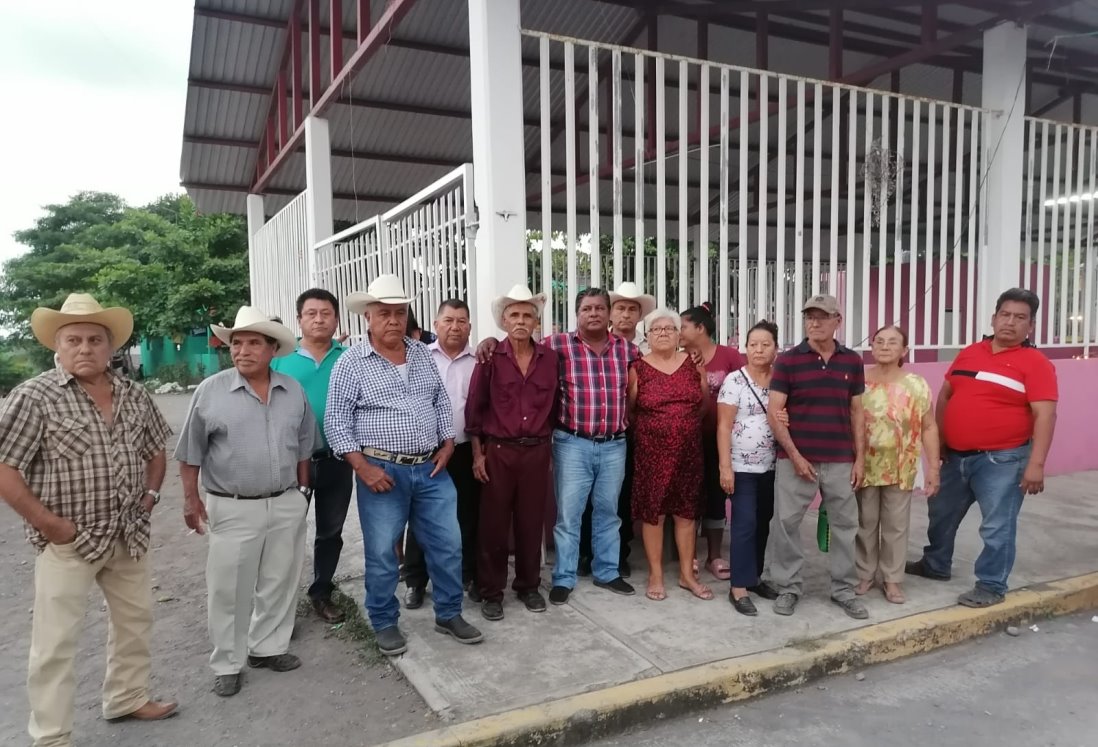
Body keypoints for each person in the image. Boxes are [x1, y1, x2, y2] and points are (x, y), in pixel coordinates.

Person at [0, 294, 177, 746]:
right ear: (56, 347)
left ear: (109, 346)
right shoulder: (34, 397)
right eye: (73, 340)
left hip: (127, 533)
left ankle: (126, 696)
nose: (85, 348)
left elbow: (156, 448)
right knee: (55, 643)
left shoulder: (134, 395)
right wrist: (48, 523)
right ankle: (52, 736)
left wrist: (151, 495)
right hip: (68, 542)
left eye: (94, 340)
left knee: (135, 621)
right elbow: (5, 468)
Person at [325, 274, 483, 656]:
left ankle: (448, 613)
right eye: (384, 313)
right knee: (381, 553)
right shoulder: (351, 363)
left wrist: (447, 444)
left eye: (399, 312)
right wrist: (363, 468)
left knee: (448, 544)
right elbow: (336, 421)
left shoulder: (420, 352)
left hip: (431, 468)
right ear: (368, 317)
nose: (393, 320)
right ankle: (383, 621)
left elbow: (441, 403)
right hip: (383, 471)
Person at [176, 307, 317, 697]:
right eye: (236, 342)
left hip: (285, 501)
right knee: (229, 588)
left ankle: (267, 648)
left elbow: (305, 445)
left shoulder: (293, 391)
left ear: (273, 349)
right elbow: (190, 452)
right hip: (233, 504)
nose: (242, 350)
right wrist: (191, 499)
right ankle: (228, 662)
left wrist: (302, 493)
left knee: (280, 579)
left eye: (254, 342)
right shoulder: (211, 391)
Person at [476, 288, 640, 604]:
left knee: (608, 512)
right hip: (572, 442)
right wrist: (489, 341)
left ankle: (607, 571)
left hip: (613, 444)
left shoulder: (628, 350)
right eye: (586, 309)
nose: (593, 313)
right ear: (577, 314)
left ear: (608, 314)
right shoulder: (557, 346)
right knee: (569, 515)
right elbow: (517, 343)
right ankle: (563, 576)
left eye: (599, 308)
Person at [906, 288, 1058, 608]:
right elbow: (947, 395)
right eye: (1005, 315)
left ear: (1030, 326)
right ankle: (936, 565)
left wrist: (1037, 464)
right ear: (994, 317)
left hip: (1003, 459)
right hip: (955, 455)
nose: (1010, 322)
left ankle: (991, 585)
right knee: (940, 515)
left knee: (997, 525)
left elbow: (1045, 414)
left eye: (1020, 318)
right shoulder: (970, 352)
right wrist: (942, 441)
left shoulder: (1036, 363)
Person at [764, 294, 868, 619]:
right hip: (796, 460)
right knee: (786, 524)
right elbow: (774, 411)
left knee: (845, 526)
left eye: (822, 316)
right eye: (810, 316)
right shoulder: (788, 360)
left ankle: (843, 590)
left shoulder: (852, 361)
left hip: (840, 460)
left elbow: (857, 413)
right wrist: (794, 455)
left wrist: (860, 458)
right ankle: (788, 587)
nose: (814, 322)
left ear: (837, 320)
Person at [466, 285, 559, 620]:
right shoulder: (490, 357)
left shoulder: (551, 359)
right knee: (493, 525)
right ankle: (492, 592)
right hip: (498, 452)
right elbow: (475, 412)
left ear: (536, 321)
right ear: (504, 321)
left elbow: (556, 407)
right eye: (514, 315)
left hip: (536, 452)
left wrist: (548, 450)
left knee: (531, 523)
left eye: (527, 315)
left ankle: (529, 585)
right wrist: (478, 454)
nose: (521, 321)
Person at [270, 289, 351, 624]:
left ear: (336, 319)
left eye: (326, 313)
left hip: (337, 461)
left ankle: (321, 593)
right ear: (299, 319)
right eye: (312, 313)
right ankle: (278, 606)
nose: (319, 319)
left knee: (330, 532)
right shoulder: (279, 361)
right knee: (285, 533)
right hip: (292, 464)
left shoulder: (349, 359)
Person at [628, 308, 711, 602]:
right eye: (656, 329)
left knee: (686, 514)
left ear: (679, 335)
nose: (663, 333)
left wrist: (681, 427)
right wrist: (660, 429)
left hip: (689, 452)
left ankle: (687, 575)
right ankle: (656, 574)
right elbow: (631, 410)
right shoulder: (638, 367)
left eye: (669, 328)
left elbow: (703, 404)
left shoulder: (693, 364)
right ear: (647, 336)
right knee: (655, 515)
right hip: (652, 452)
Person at [404, 299, 480, 609]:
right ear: (435, 326)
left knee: (467, 516)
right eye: (448, 320)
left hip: (464, 449)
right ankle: (415, 581)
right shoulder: (419, 358)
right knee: (422, 517)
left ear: (470, 327)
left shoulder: (479, 361)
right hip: (427, 451)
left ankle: (465, 574)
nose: (455, 326)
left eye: (461, 321)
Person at [856, 326, 940, 605]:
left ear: (904, 351)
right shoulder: (859, 381)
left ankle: (892, 579)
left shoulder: (916, 385)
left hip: (900, 466)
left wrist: (934, 469)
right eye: (879, 341)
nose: (884, 346)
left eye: (893, 342)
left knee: (895, 525)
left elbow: (928, 427)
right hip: (863, 464)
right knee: (864, 522)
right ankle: (865, 573)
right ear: (872, 347)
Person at [578, 281, 656, 578]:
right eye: (620, 308)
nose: (625, 314)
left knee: (620, 496)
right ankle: (587, 552)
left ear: (639, 315)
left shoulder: (649, 348)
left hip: (638, 433)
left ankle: (619, 553)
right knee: (589, 497)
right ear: (611, 314)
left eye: (632, 309)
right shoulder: (596, 344)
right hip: (600, 432)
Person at [717, 320, 780, 616]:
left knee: (763, 521)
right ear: (745, 349)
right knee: (743, 525)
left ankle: (753, 577)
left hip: (772, 465)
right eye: (753, 344)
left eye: (765, 344)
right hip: (741, 466)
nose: (758, 349)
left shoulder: (780, 380)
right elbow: (723, 425)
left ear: (776, 349)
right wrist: (725, 467)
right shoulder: (734, 381)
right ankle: (738, 587)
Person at [680, 303, 746, 581]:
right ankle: (690, 555)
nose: (678, 332)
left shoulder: (729, 357)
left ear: (700, 328)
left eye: (683, 326)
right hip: (687, 440)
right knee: (690, 498)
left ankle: (715, 556)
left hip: (723, 440)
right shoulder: (678, 358)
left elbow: (749, 386)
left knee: (717, 497)